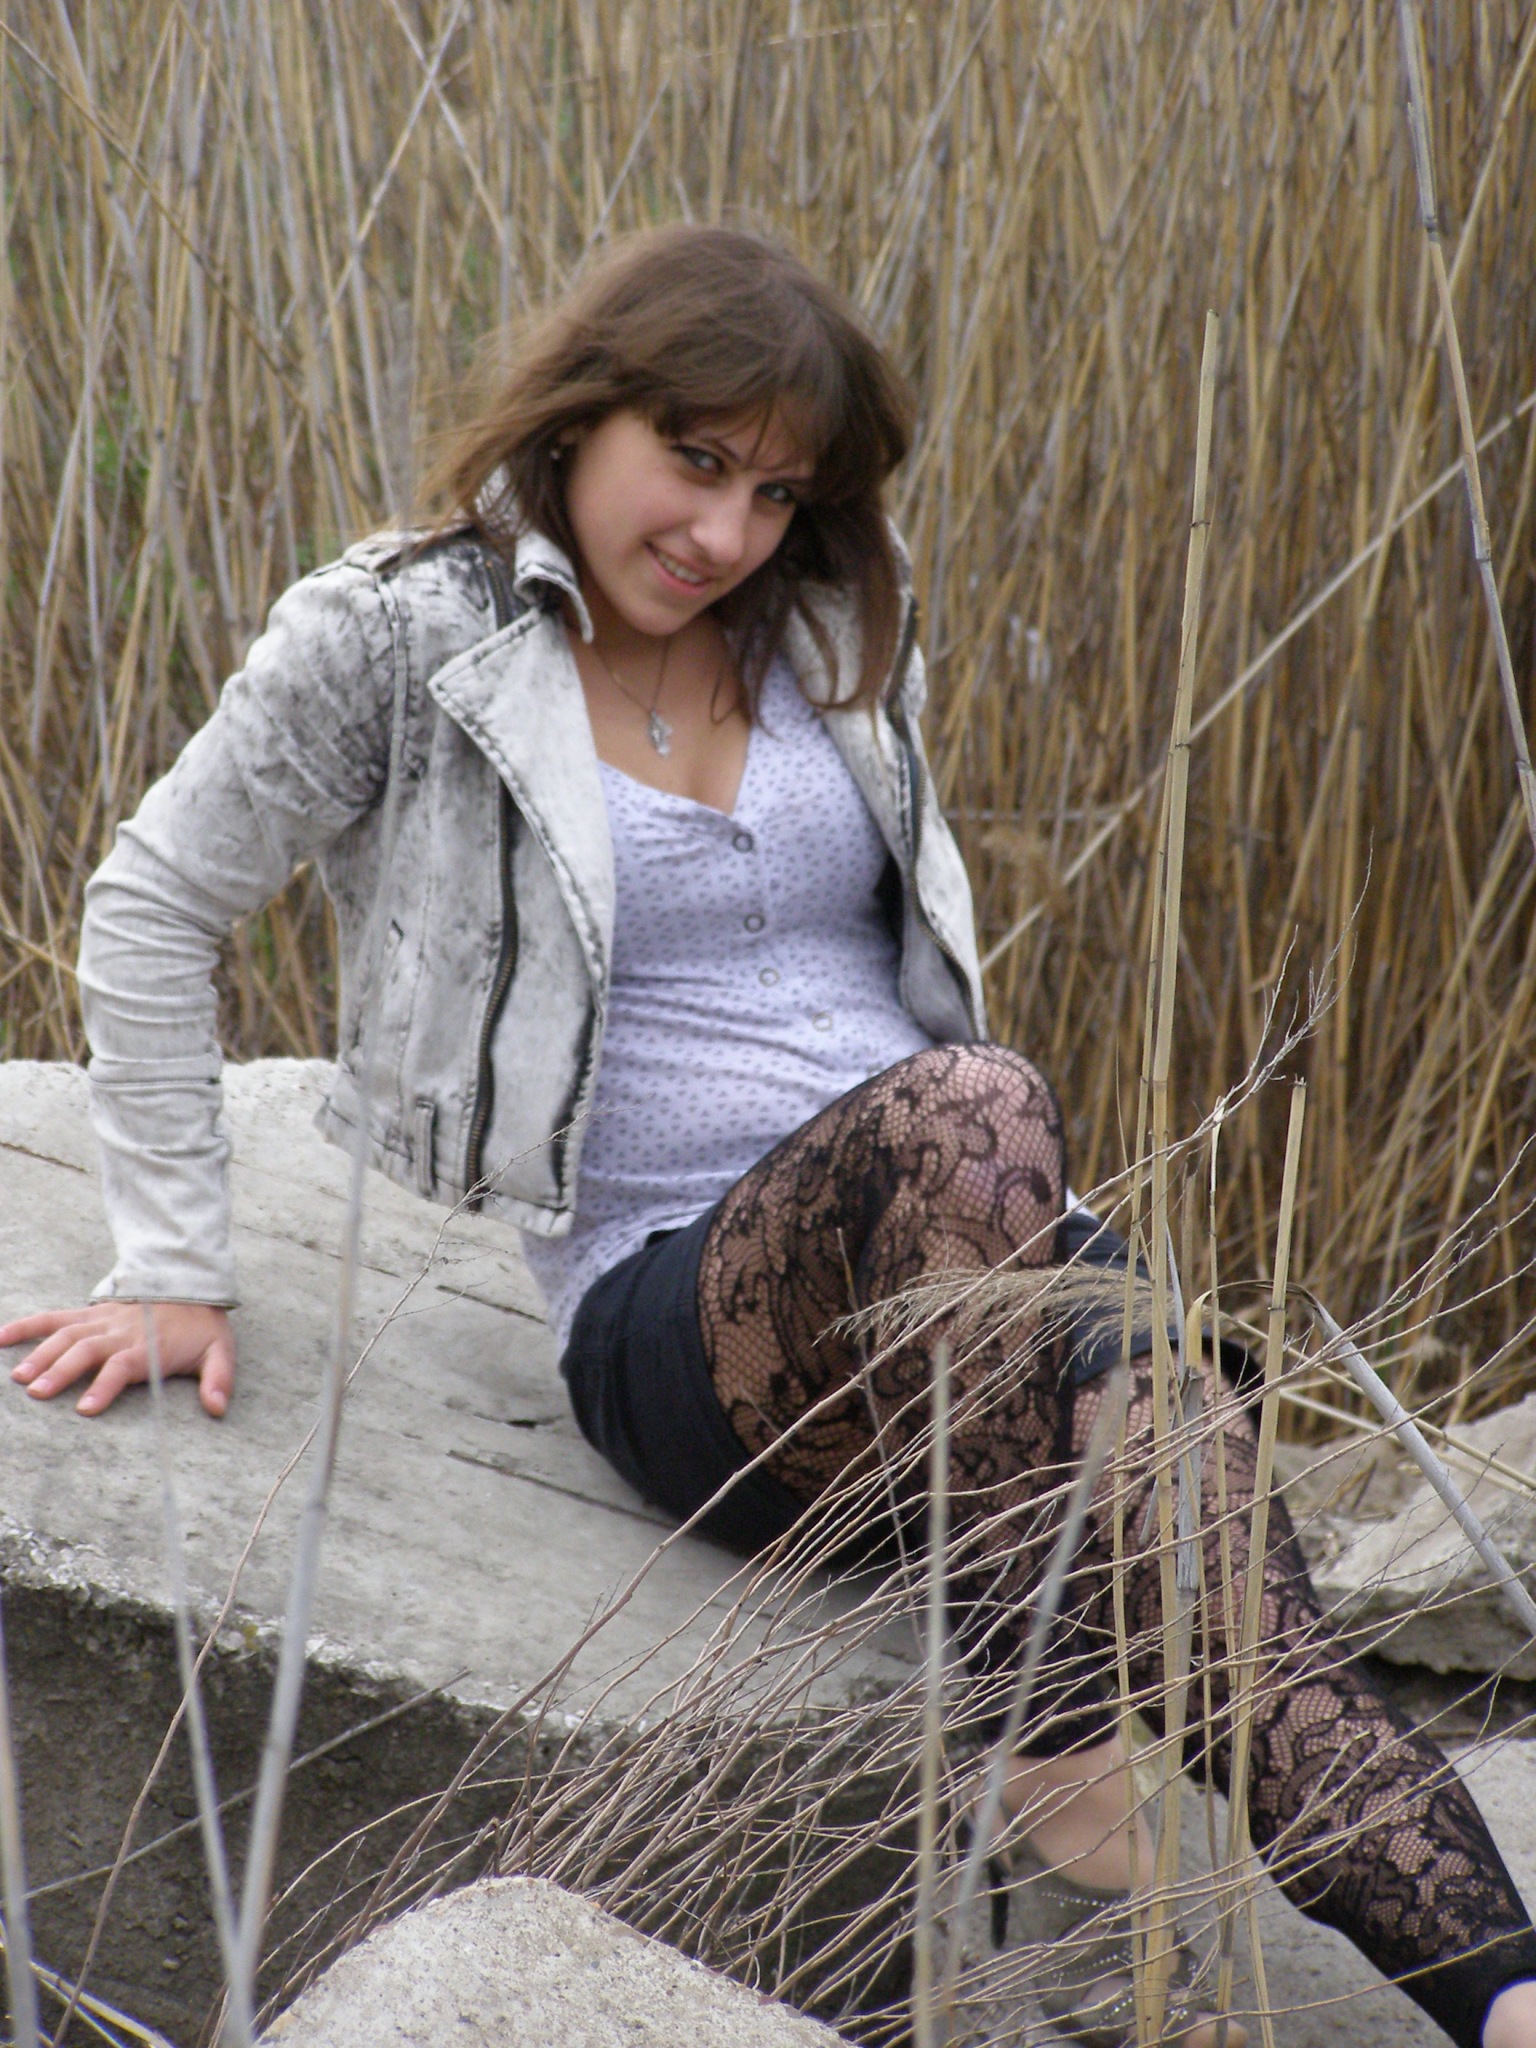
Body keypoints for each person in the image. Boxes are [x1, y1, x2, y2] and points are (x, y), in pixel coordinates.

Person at [2, 224, 1533, 2048]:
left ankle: (1502, 1996)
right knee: (984, 1101)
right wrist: (172, 1260)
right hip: (697, 1306)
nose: (725, 531)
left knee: (1235, 1592)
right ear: (580, 413)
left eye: (776, 490)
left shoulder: (827, 621)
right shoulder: (402, 633)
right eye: (695, 459)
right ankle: (1049, 1727)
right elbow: (152, 903)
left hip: (978, 1252)